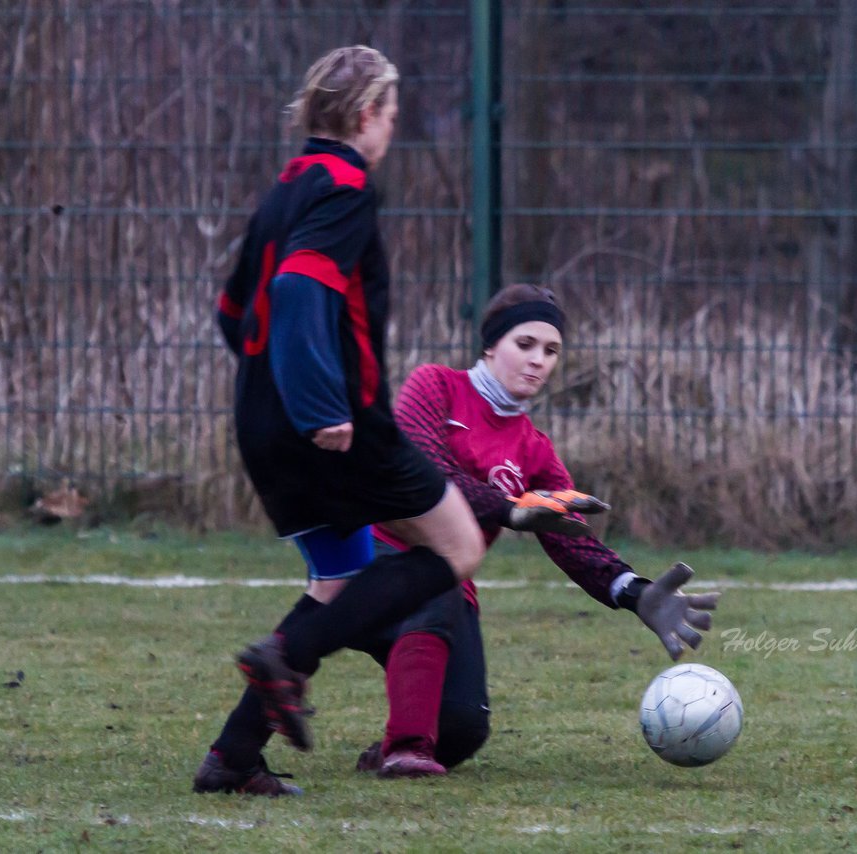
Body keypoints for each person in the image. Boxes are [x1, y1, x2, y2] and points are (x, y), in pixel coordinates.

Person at [193, 47, 599, 796]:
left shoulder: (284, 190)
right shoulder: (346, 186)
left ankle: (232, 758)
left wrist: (273, 393)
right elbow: (297, 289)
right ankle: (283, 655)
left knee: (341, 577)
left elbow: (231, 310)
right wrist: (320, 404)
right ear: (364, 113)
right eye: (392, 115)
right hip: (339, 424)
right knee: (454, 547)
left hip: (260, 422)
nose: (392, 130)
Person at [351, 284, 721, 778]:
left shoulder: (534, 449)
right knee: (427, 575)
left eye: (551, 351)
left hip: (445, 581)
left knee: (462, 729)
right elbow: (426, 475)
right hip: (373, 555)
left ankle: (386, 754)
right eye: (524, 344)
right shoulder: (434, 386)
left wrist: (636, 592)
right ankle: (396, 749)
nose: (538, 361)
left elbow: (572, 540)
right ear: (490, 345)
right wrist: (508, 508)